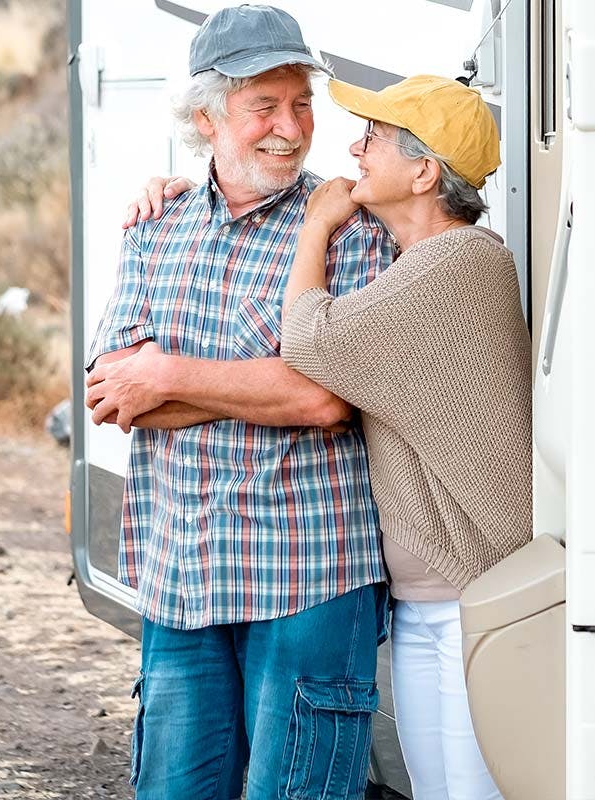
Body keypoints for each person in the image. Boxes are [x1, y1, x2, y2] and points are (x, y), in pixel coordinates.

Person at [132, 74, 533, 800]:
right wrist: (185, 192)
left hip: (473, 594)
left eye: (374, 138)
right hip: (426, 599)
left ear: (423, 171)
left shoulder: (459, 264)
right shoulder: (410, 262)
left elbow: (311, 358)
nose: (353, 149)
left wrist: (314, 225)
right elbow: (132, 392)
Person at [84, 7, 393, 800]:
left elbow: (325, 397)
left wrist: (166, 374)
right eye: (265, 106)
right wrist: (252, 386)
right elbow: (113, 394)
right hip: (181, 574)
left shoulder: (348, 228)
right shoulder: (155, 228)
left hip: (310, 576)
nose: (290, 128)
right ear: (207, 119)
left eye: (301, 104)